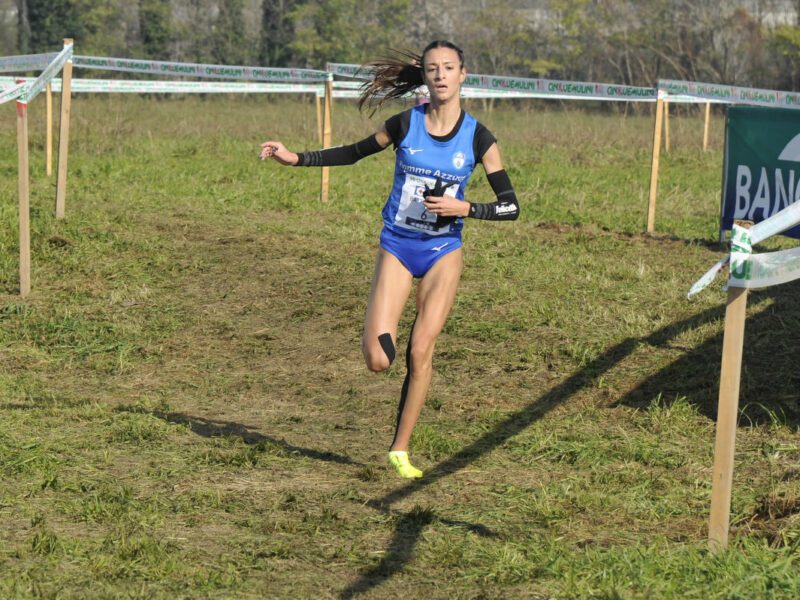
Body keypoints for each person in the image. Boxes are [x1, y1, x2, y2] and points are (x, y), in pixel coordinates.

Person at [259, 40, 519, 479]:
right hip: (398, 247)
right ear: (425, 76)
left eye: (448, 68)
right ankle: (377, 324)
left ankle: (400, 449)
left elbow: (511, 206)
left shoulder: (479, 138)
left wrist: (467, 208)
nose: (440, 75)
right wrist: (295, 158)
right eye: (433, 68)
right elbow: (354, 153)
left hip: (443, 253)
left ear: (462, 75)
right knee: (379, 361)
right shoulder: (404, 124)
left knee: (421, 350)